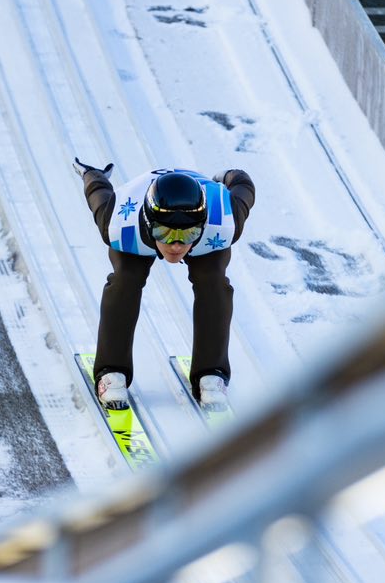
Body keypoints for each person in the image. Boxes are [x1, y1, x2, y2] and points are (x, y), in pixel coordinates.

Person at [72, 159, 256, 411]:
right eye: (165, 234)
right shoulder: (118, 223)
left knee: (214, 282)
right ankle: (111, 369)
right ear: (149, 224)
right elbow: (98, 191)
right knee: (126, 279)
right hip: (138, 226)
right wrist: (92, 174)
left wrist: (229, 176)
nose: (176, 246)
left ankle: (212, 372)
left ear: (200, 225)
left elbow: (244, 184)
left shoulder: (224, 220)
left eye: (187, 234)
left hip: (207, 241)